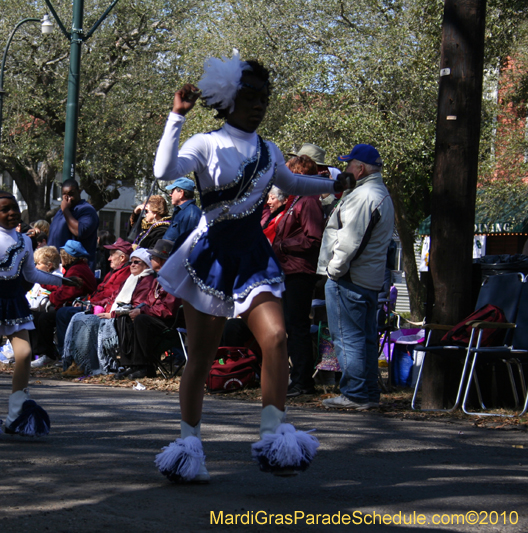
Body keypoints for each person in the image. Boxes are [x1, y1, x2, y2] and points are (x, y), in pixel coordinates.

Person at [152, 51, 352, 483]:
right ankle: (188, 446)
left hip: (254, 256)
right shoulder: (205, 143)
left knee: (277, 336)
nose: (260, 105)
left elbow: (294, 183)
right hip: (210, 256)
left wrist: (335, 181)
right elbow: (164, 170)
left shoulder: (269, 149)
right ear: (228, 99)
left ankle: (274, 438)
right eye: (251, 97)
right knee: (201, 359)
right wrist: (176, 117)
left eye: (265, 97)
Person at [0, 190, 80, 439]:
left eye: (14, 207)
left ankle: (16, 416)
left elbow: (31, 274)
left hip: (15, 301)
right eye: (4, 209)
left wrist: (63, 280)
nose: (12, 213)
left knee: (23, 354)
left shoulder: (25, 241)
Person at [320, 144, 395, 411]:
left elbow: (350, 242)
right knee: (364, 338)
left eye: (349, 164)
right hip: (366, 278)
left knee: (347, 337)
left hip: (350, 278)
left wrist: (334, 271)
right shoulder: (377, 193)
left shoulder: (364, 196)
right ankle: (367, 393)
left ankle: (355, 393)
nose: (345, 168)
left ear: (360, 168)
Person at [270, 156, 326, 398]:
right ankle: (297, 379)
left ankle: (303, 381)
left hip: (300, 271)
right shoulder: (297, 200)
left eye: (289, 174)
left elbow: (313, 239)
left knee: (298, 326)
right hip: (289, 270)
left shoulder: (309, 201)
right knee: (291, 326)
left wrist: (283, 245)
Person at [63, 248, 155, 376]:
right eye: (131, 262)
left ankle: (90, 365)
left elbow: (135, 306)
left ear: (146, 265)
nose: (132, 265)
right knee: (78, 317)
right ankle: (76, 362)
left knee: (88, 322)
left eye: (137, 262)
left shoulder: (146, 281)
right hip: (111, 313)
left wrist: (112, 314)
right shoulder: (130, 279)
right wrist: (93, 304)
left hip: (123, 319)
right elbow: (112, 298)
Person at [55, 237, 133, 372]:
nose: (108, 259)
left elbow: (112, 296)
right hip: (95, 305)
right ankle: (70, 355)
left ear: (122, 258)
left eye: (112, 255)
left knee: (64, 313)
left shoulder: (124, 273)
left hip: (106, 310)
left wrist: (91, 304)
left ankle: (70, 356)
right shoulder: (114, 271)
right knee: (63, 313)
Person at [115, 239, 179, 379]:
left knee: (142, 319)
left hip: (169, 323)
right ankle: (131, 365)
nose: (150, 260)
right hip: (155, 317)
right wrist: (135, 309)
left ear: (162, 260)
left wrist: (143, 311)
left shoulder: (173, 280)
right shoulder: (158, 279)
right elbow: (149, 302)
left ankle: (146, 366)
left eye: (153, 257)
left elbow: (168, 310)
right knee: (124, 318)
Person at [47, 179, 99, 264]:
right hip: (55, 265)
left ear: (79, 192)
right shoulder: (61, 211)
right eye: (64, 194)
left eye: (71, 194)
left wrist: (66, 210)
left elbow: (79, 231)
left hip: (75, 267)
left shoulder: (87, 211)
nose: (67, 198)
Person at [163, 177, 201, 247]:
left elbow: (186, 245)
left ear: (181, 193)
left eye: (172, 191)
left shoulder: (190, 214)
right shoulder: (180, 211)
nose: (170, 194)